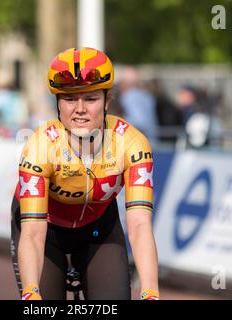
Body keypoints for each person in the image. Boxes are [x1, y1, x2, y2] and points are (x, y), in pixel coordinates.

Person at [10, 47, 159, 300]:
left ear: (107, 101)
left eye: (90, 99)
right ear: (57, 103)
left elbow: (140, 225)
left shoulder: (132, 143)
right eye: (69, 99)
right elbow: (33, 234)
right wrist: (31, 294)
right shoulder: (40, 145)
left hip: (99, 229)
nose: (80, 109)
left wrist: (150, 291)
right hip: (46, 231)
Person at [117, 66, 158, 146]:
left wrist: (118, 122)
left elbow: (139, 122)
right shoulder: (147, 95)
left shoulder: (129, 96)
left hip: (138, 145)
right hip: (152, 142)